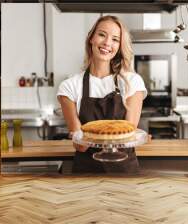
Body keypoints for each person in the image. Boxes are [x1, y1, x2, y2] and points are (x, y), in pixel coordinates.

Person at [57, 15, 147, 173]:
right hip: (86, 173)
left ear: (119, 46)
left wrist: (87, 135)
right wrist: (79, 138)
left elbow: (127, 135)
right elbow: (81, 146)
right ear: (91, 38)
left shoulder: (132, 82)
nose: (107, 43)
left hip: (125, 172)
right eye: (102, 35)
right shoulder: (69, 87)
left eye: (115, 39)